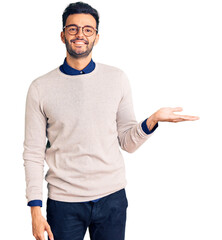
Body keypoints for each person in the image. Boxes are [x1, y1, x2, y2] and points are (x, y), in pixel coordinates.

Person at [22, 2, 199, 240]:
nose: (80, 35)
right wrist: (35, 209)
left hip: (112, 199)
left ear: (97, 36)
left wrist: (153, 120)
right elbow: (33, 152)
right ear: (62, 35)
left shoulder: (117, 79)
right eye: (73, 29)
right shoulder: (40, 88)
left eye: (88, 29)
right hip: (64, 202)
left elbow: (127, 142)